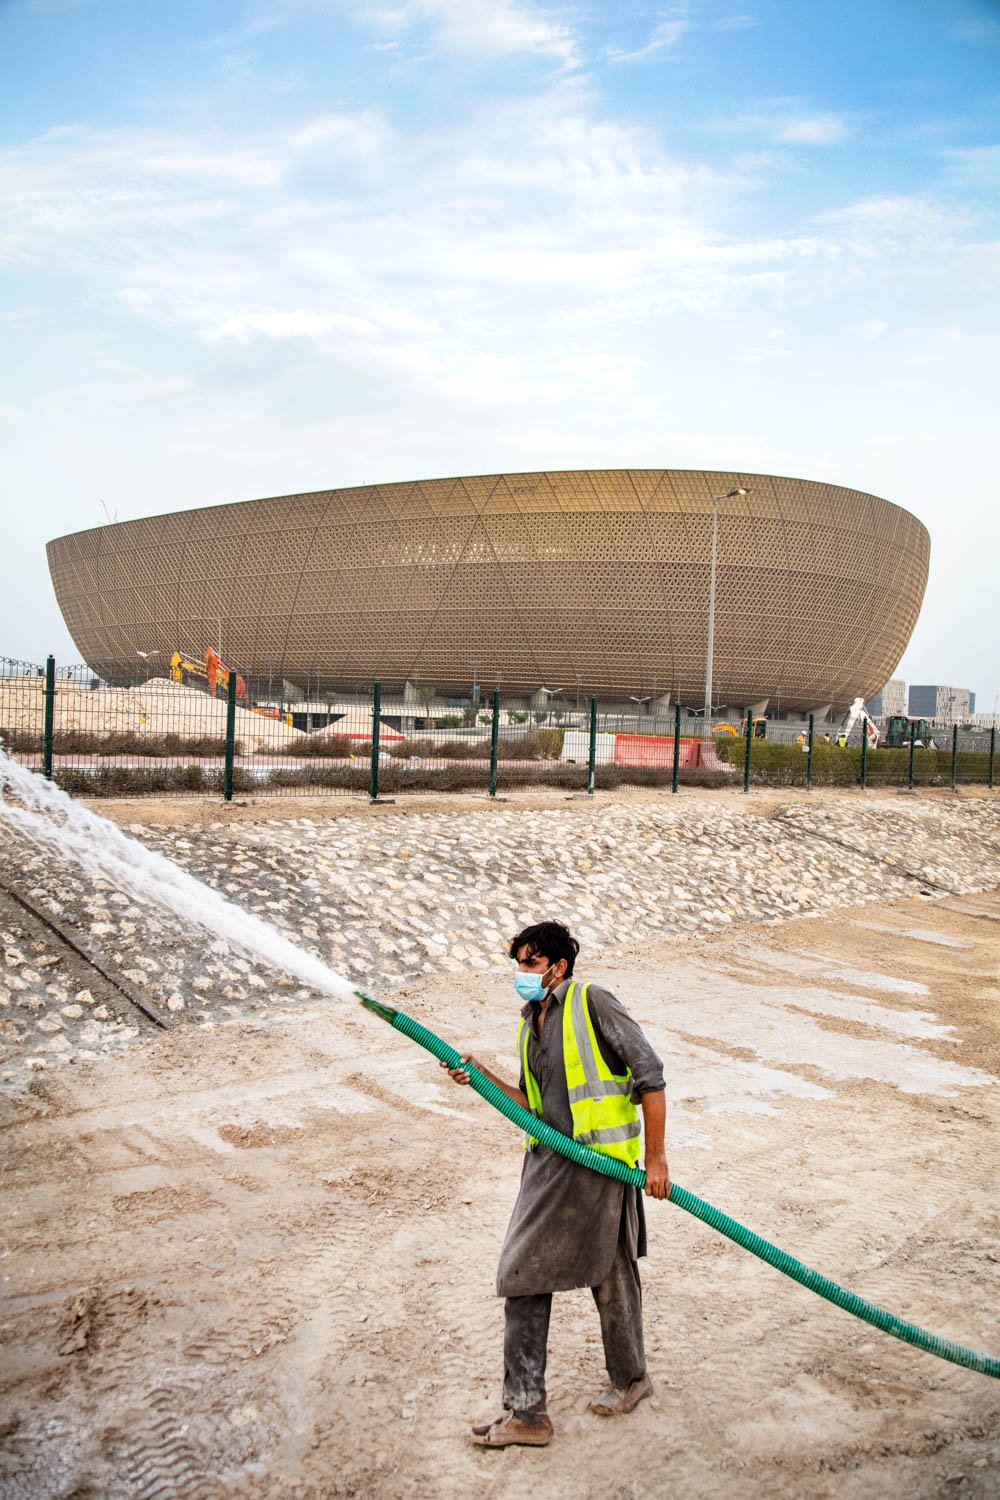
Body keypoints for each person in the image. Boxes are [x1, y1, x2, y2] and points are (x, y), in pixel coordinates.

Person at [441, 919, 668, 1448]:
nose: (521, 974)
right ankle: (540, 1407)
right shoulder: (530, 1022)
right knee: (538, 1273)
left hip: (600, 1165)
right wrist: (480, 1077)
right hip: (549, 1166)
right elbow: (529, 1107)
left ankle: (562, 1403)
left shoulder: (592, 1002)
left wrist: (656, 1160)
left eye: (531, 964)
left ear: (558, 967)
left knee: (595, 1273)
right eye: (518, 963)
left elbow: (650, 1075)